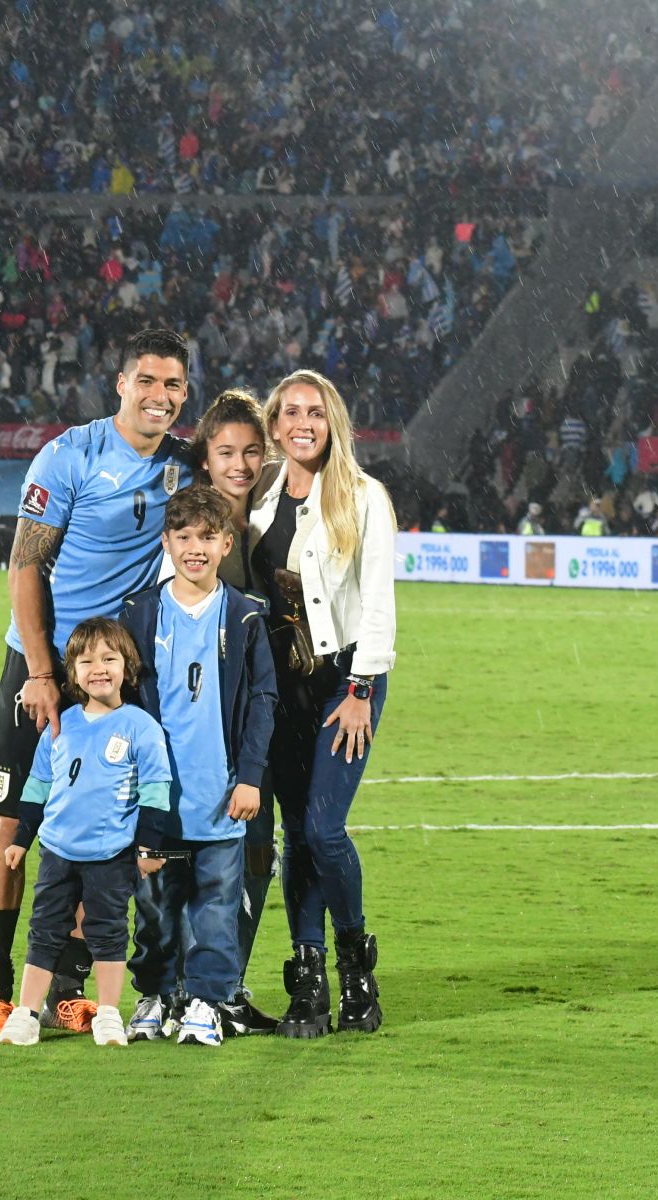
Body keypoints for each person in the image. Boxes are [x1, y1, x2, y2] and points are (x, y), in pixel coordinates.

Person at [0, 328, 193, 1039]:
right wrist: (39, 672)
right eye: (148, 382)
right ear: (121, 383)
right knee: (13, 825)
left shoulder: (183, 467)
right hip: (42, 666)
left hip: (109, 670)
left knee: (97, 826)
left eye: (174, 386)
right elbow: (25, 565)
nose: (160, 397)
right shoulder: (70, 454)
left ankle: (66, 985)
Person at [246, 369, 397, 1037]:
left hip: (344, 684)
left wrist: (362, 690)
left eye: (316, 411)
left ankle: (356, 969)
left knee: (323, 829)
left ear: (331, 422)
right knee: (292, 836)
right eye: (291, 412)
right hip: (279, 690)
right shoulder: (254, 497)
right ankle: (307, 982)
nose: (303, 422)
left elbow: (381, 604)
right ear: (274, 424)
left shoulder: (364, 498)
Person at [118, 485, 277, 1045]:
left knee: (216, 909)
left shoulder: (246, 616)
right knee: (156, 908)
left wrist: (251, 776)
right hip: (155, 799)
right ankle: (156, 996)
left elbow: (263, 701)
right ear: (166, 542)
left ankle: (207, 1003)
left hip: (221, 794)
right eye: (183, 537)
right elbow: (124, 704)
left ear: (226, 543)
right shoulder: (138, 613)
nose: (195, 549)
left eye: (207, 538)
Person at [0, 617, 174, 1049]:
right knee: (44, 931)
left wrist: (150, 845)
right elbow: (38, 786)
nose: (99, 668)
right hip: (58, 851)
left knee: (108, 931)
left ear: (126, 668)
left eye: (109, 659)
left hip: (111, 853)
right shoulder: (63, 725)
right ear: (72, 671)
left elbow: (156, 791)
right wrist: (22, 839)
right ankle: (27, 1013)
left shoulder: (140, 727)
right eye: (86, 660)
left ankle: (109, 1014)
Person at [188, 390, 280, 1032]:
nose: (241, 464)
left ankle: (226, 987)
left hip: (265, 712)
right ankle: (187, 989)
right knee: (197, 852)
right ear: (206, 456)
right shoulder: (195, 524)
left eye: (252, 451)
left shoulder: (278, 520)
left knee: (256, 849)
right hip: (201, 718)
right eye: (226, 452)